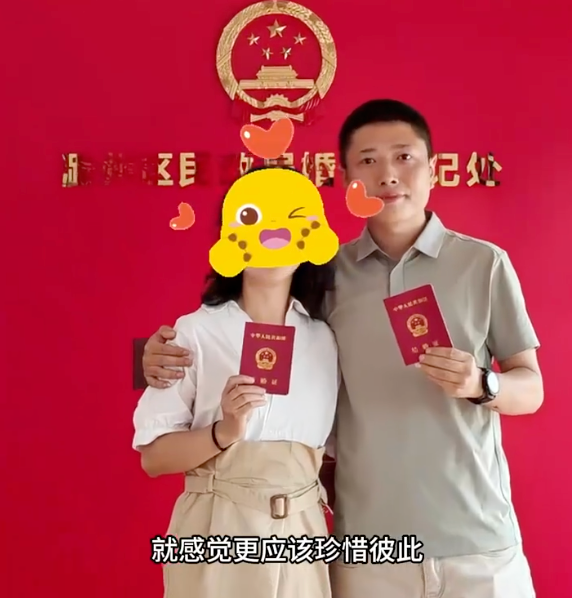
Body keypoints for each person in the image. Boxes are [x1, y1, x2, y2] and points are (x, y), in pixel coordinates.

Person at [139, 100, 543, 598]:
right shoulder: (326, 279)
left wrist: (483, 383)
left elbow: (532, 387)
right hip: (367, 547)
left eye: (404, 157)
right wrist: (154, 355)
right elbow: (246, 322)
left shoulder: (484, 264)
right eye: (368, 161)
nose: (388, 174)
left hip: (479, 541)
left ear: (433, 169)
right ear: (348, 181)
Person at [132, 166, 339, 598]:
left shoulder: (326, 337)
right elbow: (153, 458)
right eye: (255, 216)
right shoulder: (194, 331)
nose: (274, 234)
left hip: (304, 532)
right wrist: (223, 432)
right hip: (215, 528)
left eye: (291, 216)